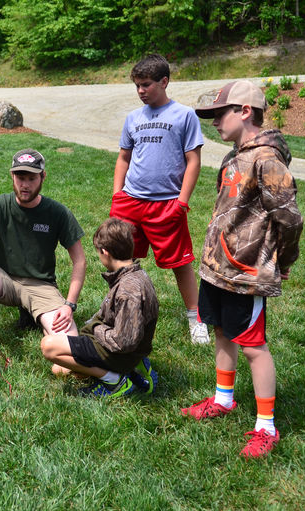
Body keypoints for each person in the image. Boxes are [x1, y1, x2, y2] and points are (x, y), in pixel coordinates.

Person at [181, 80, 303, 458]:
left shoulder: (268, 159)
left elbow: (290, 219)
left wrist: (281, 261)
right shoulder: (235, 154)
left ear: (245, 111)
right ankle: (224, 399)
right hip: (217, 268)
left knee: (253, 346)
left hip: (245, 273)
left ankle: (266, 426)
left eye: (221, 113)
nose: (215, 121)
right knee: (221, 331)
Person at [110, 53, 210, 345]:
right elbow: (123, 157)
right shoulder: (133, 118)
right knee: (123, 260)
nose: (141, 90)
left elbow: (193, 161)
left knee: (181, 263)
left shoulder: (184, 115)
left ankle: (196, 319)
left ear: (164, 82)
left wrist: (182, 201)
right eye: (137, 86)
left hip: (167, 203)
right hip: (131, 201)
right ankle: (117, 311)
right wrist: (118, 193)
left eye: (146, 85)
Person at [0, 148, 87, 354]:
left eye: (31, 178)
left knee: (68, 347)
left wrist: (69, 305)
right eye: (20, 177)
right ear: (12, 176)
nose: (25, 185)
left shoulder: (57, 212)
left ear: (43, 177)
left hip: (41, 287)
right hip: (5, 280)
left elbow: (80, 261)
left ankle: (32, 314)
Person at [41, 218, 159, 398]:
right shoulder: (137, 274)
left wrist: (96, 328)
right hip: (126, 347)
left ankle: (116, 381)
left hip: (120, 352)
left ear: (105, 252)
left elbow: (123, 342)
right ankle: (133, 366)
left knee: (48, 346)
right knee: (60, 370)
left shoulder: (128, 291)